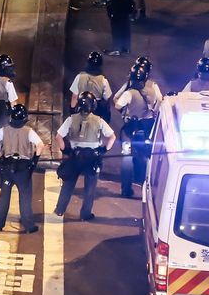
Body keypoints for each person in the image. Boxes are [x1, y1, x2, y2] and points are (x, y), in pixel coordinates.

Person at [53, 93, 116, 221]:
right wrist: (104, 150)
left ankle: (60, 210)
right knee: (90, 188)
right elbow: (112, 136)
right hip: (92, 158)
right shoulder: (99, 120)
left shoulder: (71, 119)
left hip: (75, 156)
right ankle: (85, 214)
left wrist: (65, 150)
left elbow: (58, 136)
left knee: (68, 185)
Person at [0, 104, 44, 233]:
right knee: (25, 197)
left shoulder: (4, 130)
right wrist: (35, 159)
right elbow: (40, 145)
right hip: (23, 169)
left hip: (7, 167)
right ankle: (29, 226)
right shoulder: (29, 131)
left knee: (4, 197)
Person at [114, 60, 159, 196]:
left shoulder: (130, 92)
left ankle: (126, 189)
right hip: (147, 129)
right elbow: (160, 101)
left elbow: (117, 105)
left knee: (127, 158)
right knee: (146, 158)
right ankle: (146, 188)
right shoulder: (153, 89)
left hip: (131, 128)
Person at [68, 51, 113, 122]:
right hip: (96, 110)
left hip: (81, 107)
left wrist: (72, 111)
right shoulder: (103, 80)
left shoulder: (79, 77)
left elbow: (74, 97)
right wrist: (107, 115)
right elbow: (107, 99)